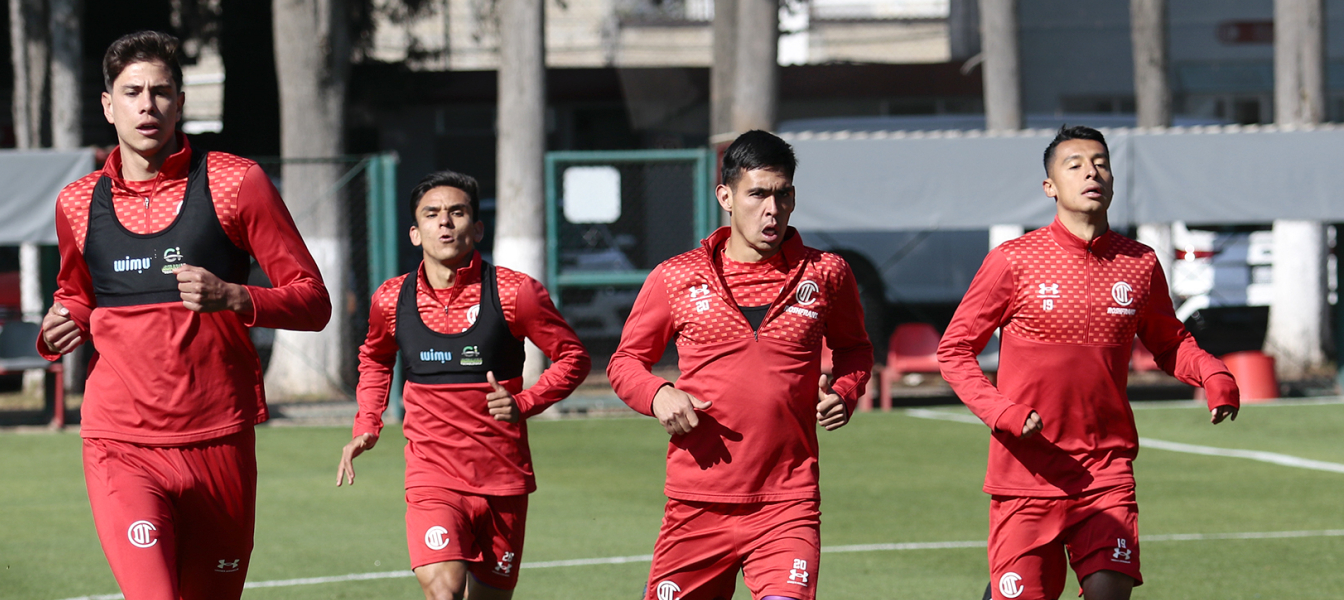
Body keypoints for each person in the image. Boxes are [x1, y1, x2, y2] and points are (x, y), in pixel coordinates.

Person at [37, 31, 330, 600]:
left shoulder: (234, 183)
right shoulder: (76, 202)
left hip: (219, 439)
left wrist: (236, 297)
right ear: (108, 105)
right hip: (120, 442)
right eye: (132, 92)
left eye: (161, 91)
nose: (147, 105)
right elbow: (75, 294)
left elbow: (312, 300)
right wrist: (57, 326)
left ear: (181, 102)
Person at [938, 125, 1241, 600]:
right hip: (1027, 472)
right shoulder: (1013, 261)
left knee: (1109, 592)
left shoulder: (1139, 262)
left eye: (1100, 163)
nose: (1091, 172)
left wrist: (1212, 371)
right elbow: (954, 350)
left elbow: (1169, 340)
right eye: (1074, 164)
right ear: (1050, 187)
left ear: (1114, 181)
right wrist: (1003, 412)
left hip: (1106, 468)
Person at [606, 130, 874, 600]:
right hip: (697, 503)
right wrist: (658, 393)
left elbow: (855, 350)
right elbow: (626, 362)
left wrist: (845, 392)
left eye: (783, 193)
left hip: (786, 502)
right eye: (758, 194)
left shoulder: (827, 273)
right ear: (726, 196)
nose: (772, 209)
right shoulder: (676, 276)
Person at [338, 170, 590, 600]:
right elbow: (376, 358)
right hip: (432, 476)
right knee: (445, 589)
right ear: (415, 234)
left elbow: (574, 357)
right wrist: (367, 423)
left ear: (477, 228)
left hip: (503, 480)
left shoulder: (515, 293)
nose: (445, 223)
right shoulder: (390, 299)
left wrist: (524, 402)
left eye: (457, 213)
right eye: (432, 215)